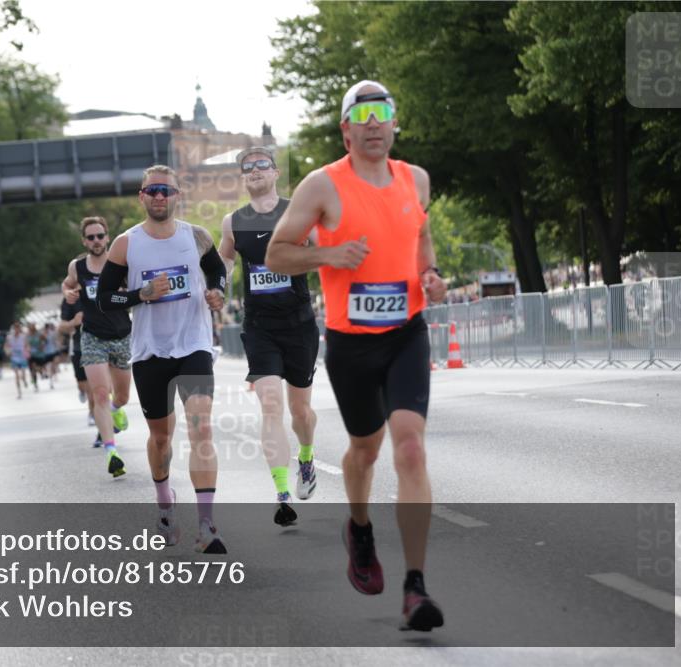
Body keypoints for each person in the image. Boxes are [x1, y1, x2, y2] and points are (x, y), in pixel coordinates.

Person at [265, 80, 447, 632]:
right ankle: (360, 529)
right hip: (351, 342)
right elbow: (277, 253)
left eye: (382, 112)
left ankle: (415, 588)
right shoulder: (323, 186)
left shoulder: (416, 179)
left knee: (410, 450)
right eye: (361, 114)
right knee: (364, 452)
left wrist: (431, 275)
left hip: (406, 333)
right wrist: (328, 253)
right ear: (346, 128)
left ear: (394, 123)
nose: (373, 122)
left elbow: (421, 238)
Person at [97, 165, 228, 553]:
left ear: (177, 196)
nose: (159, 197)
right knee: (160, 438)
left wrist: (217, 292)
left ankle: (206, 526)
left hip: (194, 345)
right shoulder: (126, 243)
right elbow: (105, 298)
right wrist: (140, 294)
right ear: (141, 196)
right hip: (150, 351)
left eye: (166, 191)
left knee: (202, 427)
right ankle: (165, 505)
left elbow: (217, 270)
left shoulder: (197, 236)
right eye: (151, 191)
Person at [219, 146, 320, 528]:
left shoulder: (298, 212)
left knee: (300, 412)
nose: (255, 170)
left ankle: (306, 458)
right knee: (271, 405)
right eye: (248, 167)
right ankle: (281, 495)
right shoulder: (233, 221)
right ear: (243, 178)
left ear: (276, 172)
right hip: (259, 326)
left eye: (262, 164)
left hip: (299, 324)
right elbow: (226, 260)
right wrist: (217, 282)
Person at [62, 217, 134, 472]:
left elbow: (135, 291)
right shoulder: (77, 266)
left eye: (100, 236)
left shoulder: (120, 263)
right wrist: (67, 293)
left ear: (107, 237)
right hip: (92, 336)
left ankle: (116, 410)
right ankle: (111, 451)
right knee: (100, 394)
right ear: (84, 241)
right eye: (90, 237)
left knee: (122, 396)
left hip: (121, 335)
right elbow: (68, 284)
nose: (96, 241)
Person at [58, 294, 99, 442]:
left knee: (94, 389)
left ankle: (93, 414)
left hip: (100, 345)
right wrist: (74, 322)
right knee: (83, 385)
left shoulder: (98, 287)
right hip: (78, 347)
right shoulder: (71, 298)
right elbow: (61, 326)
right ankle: (81, 391)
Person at [5, 321, 30, 399]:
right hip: (14, 358)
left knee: (22, 374)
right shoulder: (9, 337)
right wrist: (7, 351)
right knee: (16, 376)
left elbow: (27, 345)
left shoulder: (23, 336)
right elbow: (6, 346)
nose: (17, 329)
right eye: (15, 328)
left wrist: (28, 351)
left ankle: (24, 380)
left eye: (18, 328)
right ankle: (19, 392)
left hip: (22, 357)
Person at [27, 323, 46, 392]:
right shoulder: (27, 335)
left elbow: (45, 340)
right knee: (32, 370)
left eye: (32, 327)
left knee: (38, 368)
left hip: (39, 355)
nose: (31, 329)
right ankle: (35, 384)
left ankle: (41, 372)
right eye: (30, 328)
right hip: (31, 355)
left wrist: (42, 345)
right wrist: (27, 348)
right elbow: (25, 344)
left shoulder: (39, 334)